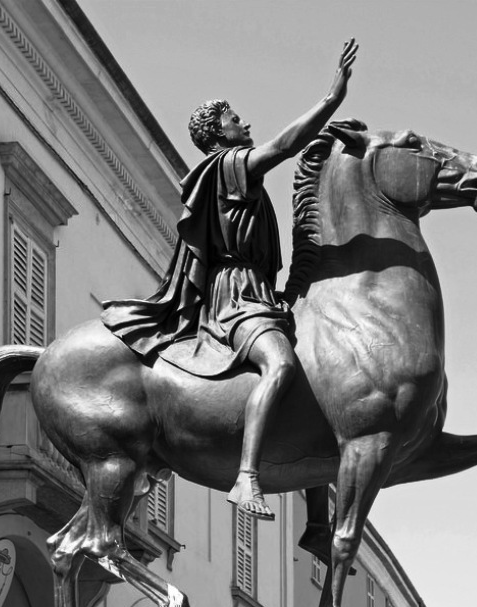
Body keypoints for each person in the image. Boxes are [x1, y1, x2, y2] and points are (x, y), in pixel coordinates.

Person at [101, 39, 358, 521]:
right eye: (236, 119)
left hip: (258, 291)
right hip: (237, 296)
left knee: (315, 381)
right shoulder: (228, 165)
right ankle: (246, 478)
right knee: (280, 366)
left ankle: (318, 524)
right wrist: (331, 98)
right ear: (218, 133)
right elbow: (283, 147)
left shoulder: (229, 174)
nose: (246, 124)